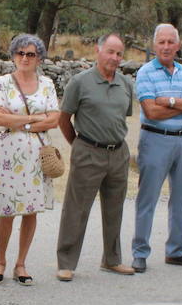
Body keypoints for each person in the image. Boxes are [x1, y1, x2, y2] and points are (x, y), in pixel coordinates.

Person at [55, 33, 136, 280]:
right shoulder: (80, 82)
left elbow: (122, 117)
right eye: (110, 52)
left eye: (119, 53)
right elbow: (63, 119)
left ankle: (112, 260)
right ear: (98, 51)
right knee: (76, 209)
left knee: (114, 209)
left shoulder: (124, 84)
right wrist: (79, 145)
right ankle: (66, 263)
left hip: (118, 153)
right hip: (88, 152)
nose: (114, 57)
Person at [132, 23, 182, 272]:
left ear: (178, 45)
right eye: (161, 42)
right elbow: (151, 110)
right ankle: (140, 252)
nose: (166, 47)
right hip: (155, 139)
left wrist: (171, 100)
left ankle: (175, 250)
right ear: (154, 45)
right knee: (148, 197)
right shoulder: (145, 72)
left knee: (181, 197)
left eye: (170, 42)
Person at [0, 34, 60, 285]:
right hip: (10, 155)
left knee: (31, 211)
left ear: (39, 57)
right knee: (6, 210)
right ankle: (0, 260)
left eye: (31, 54)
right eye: (20, 53)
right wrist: (33, 119)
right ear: (13, 56)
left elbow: (54, 118)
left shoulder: (47, 84)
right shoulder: (2, 83)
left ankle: (21, 263)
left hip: (38, 155)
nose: (25, 58)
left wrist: (17, 120)